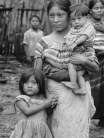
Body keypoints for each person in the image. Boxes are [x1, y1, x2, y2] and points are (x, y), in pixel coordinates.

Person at [34, 0, 99, 137]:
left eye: (60, 15)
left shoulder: (81, 39)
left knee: (75, 131)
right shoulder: (44, 43)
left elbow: (95, 67)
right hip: (54, 96)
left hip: (78, 98)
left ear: (69, 15)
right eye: (52, 16)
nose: (55, 20)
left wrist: (83, 60)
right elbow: (37, 74)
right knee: (56, 131)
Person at [10, 69, 58, 138]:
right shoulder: (21, 99)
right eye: (26, 82)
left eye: (34, 83)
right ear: (21, 84)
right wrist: (45, 105)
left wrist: (51, 106)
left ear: (41, 85)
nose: (29, 85)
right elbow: (27, 111)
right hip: (26, 132)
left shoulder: (43, 100)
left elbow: (46, 113)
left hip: (40, 132)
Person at [63, 3, 97, 95]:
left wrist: (75, 43)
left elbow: (85, 36)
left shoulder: (89, 27)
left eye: (79, 18)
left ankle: (73, 83)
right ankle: (82, 89)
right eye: (73, 19)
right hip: (78, 54)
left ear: (88, 17)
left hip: (87, 54)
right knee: (79, 74)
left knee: (71, 66)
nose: (76, 22)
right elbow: (67, 37)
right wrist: (68, 42)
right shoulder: (73, 29)